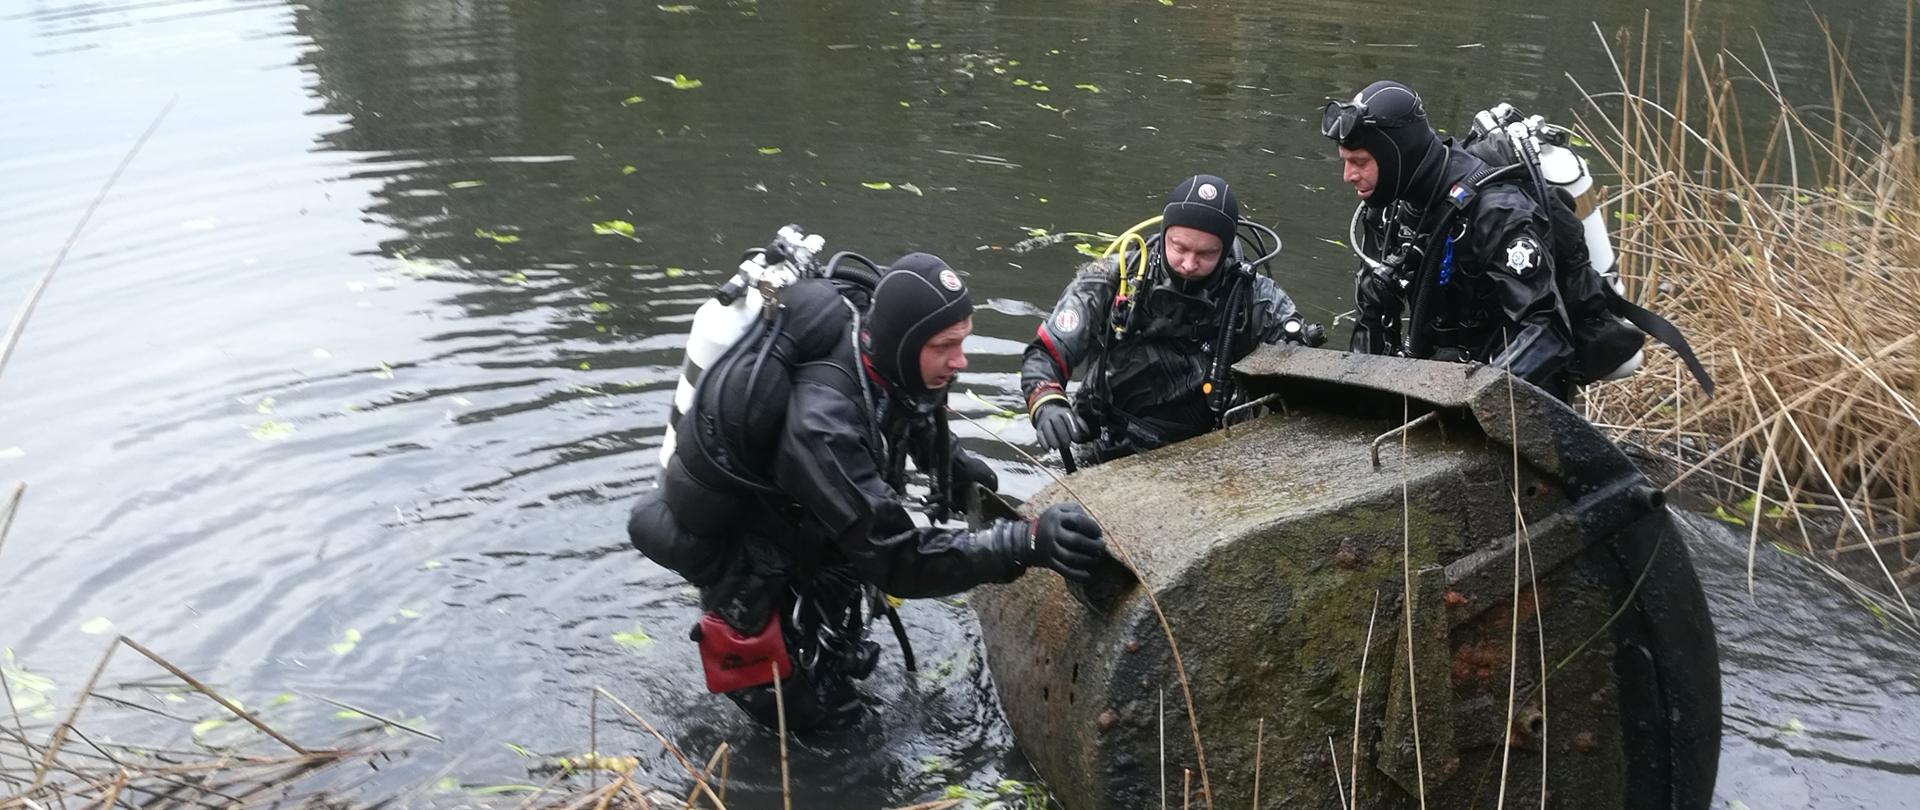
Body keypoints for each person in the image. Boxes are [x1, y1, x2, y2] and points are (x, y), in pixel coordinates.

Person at [627, 253, 1107, 731]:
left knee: (843, 664)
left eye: (962, 341)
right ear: (905, 343)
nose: (960, 360)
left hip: (814, 537)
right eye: (945, 346)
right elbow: (897, 560)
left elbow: (909, 405)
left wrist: (951, 464)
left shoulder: (874, 347)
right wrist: (1024, 542)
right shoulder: (823, 430)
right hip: (754, 580)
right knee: (831, 732)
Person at [1020, 174, 1312, 465]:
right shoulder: (1113, 279)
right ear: (1164, 234)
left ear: (1224, 250)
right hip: (1104, 439)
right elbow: (1046, 353)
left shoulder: (1256, 298)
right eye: (1179, 247)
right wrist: (1048, 402)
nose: (1189, 264)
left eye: (1206, 253)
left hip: (1212, 450)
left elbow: (1302, 376)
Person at [1322, 80, 1589, 395]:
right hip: (1439, 374)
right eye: (1345, 161)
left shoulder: (1496, 212)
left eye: (1359, 162)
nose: (1348, 176)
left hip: (1516, 390)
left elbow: (1549, 333)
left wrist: (1468, 400)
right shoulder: (1388, 208)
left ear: (1397, 154)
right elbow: (1371, 314)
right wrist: (1359, 398)